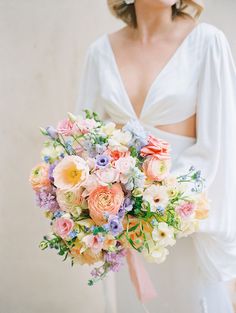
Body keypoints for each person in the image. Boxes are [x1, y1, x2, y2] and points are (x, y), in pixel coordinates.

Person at [74, 1, 236, 312]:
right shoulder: (100, 53)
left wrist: (161, 205)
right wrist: (102, 200)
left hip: (185, 227)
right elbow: (84, 142)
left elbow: (219, 145)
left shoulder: (207, 43)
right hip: (123, 229)